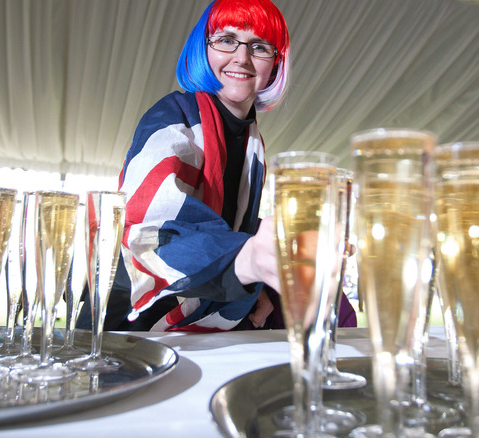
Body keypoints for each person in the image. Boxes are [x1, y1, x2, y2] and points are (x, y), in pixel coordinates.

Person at [79, 0, 356, 332]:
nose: (242, 57)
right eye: (226, 40)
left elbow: (230, 231)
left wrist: (258, 282)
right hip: (127, 324)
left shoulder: (253, 142)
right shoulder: (172, 116)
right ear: (203, 49)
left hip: (200, 312)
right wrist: (249, 258)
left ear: (276, 63)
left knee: (332, 309)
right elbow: (151, 228)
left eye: (259, 46)